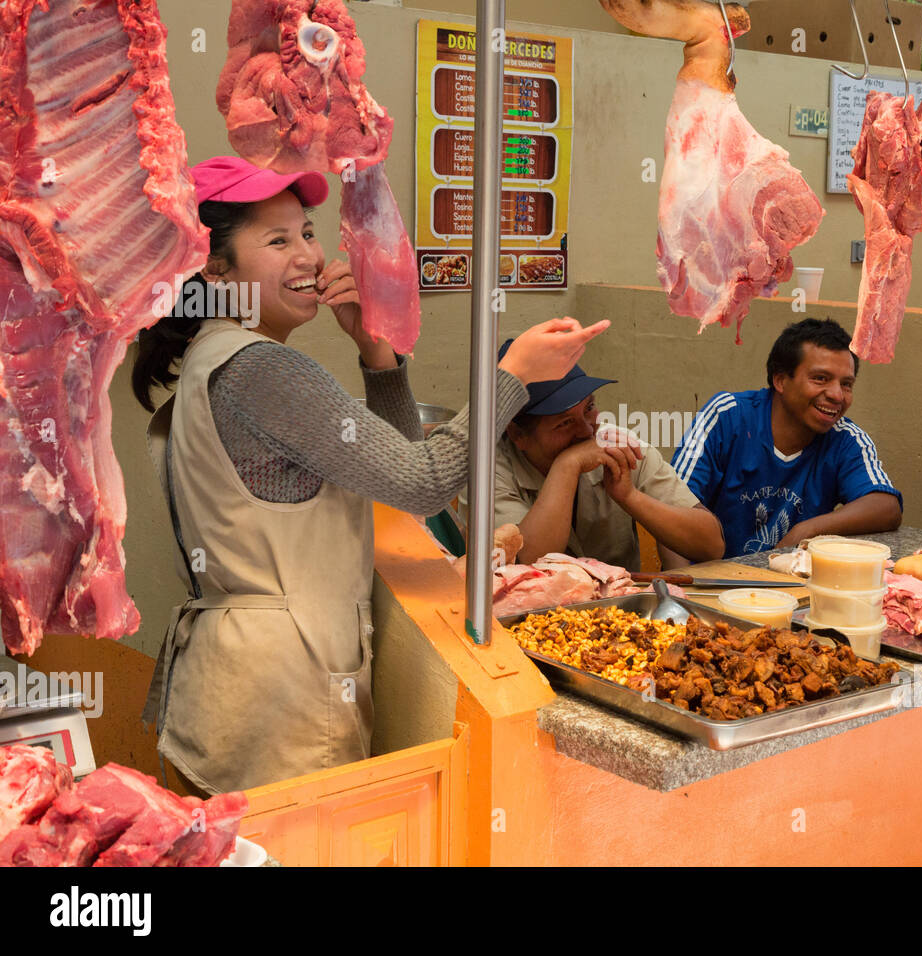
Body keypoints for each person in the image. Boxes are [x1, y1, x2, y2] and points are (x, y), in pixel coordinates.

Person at [132, 155, 606, 795]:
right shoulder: (264, 370)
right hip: (280, 708)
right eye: (276, 241)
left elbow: (407, 479)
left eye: (305, 232)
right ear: (213, 269)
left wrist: (377, 357)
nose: (306, 255)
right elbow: (425, 481)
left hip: (232, 694)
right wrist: (513, 377)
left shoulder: (212, 358)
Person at [669, 318, 901, 559]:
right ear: (780, 380)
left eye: (846, 384)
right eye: (820, 378)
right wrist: (682, 592)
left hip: (790, 589)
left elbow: (886, 507)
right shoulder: (727, 416)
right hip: (708, 586)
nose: (836, 395)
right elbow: (672, 507)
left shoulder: (844, 438)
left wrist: (807, 530)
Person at [494, 347, 724, 569]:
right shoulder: (488, 472)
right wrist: (567, 466)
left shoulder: (619, 446)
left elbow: (711, 546)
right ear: (517, 435)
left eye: (589, 408)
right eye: (564, 423)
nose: (586, 431)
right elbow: (529, 563)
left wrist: (629, 496)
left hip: (621, 606)